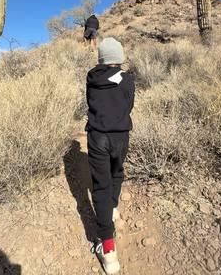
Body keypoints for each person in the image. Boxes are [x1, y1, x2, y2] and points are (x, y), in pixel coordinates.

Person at [86, 37, 135, 274]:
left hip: (97, 136)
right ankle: (112, 208)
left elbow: (90, 102)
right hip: (120, 136)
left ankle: (108, 251)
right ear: (120, 57)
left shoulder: (91, 78)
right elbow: (128, 106)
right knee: (117, 171)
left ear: (102, 58)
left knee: (100, 186)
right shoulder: (128, 80)